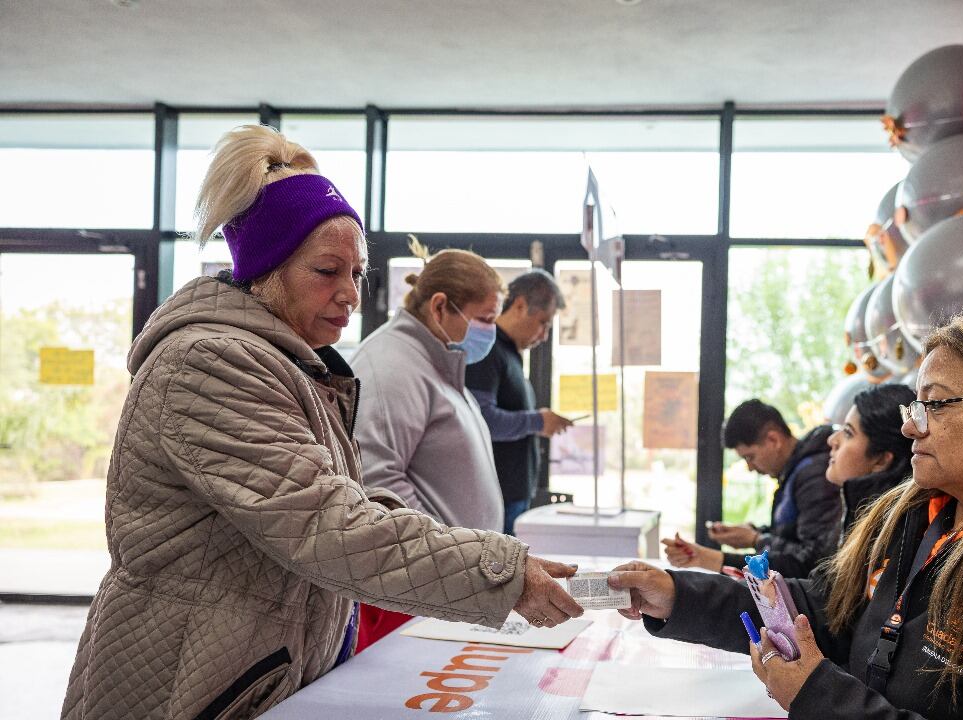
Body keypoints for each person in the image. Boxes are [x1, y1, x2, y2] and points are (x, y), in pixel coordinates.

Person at [62, 125, 582, 720]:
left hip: (256, 667)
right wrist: (496, 571)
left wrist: (479, 553)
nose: (350, 295)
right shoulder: (209, 364)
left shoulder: (292, 363)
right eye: (326, 271)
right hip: (190, 682)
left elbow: (343, 499)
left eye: (356, 274)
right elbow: (325, 524)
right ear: (267, 266)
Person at [610, 311, 963, 719]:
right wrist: (675, 594)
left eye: (936, 404)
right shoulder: (916, 519)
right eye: (916, 405)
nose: (912, 425)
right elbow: (823, 610)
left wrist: (818, 694)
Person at [349, 246, 516, 650]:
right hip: (421, 588)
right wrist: (452, 558)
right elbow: (378, 480)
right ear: (440, 306)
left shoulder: (435, 361)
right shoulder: (391, 365)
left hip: (450, 583)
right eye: (485, 320)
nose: (490, 333)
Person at [663, 399, 841, 577]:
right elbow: (794, 534)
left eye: (750, 457)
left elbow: (812, 563)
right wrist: (755, 533)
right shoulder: (796, 470)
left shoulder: (814, 475)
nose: (750, 467)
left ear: (773, 440)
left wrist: (756, 540)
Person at [465, 269, 573, 535]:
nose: (544, 335)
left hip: (513, 497)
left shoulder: (509, 353)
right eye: (543, 322)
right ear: (520, 306)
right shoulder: (487, 350)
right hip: (497, 499)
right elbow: (482, 420)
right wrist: (537, 421)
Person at [825, 383, 916, 530]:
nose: (832, 440)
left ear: (881, 460)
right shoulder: (854, 509)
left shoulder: (886, 532)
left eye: (848, 433)